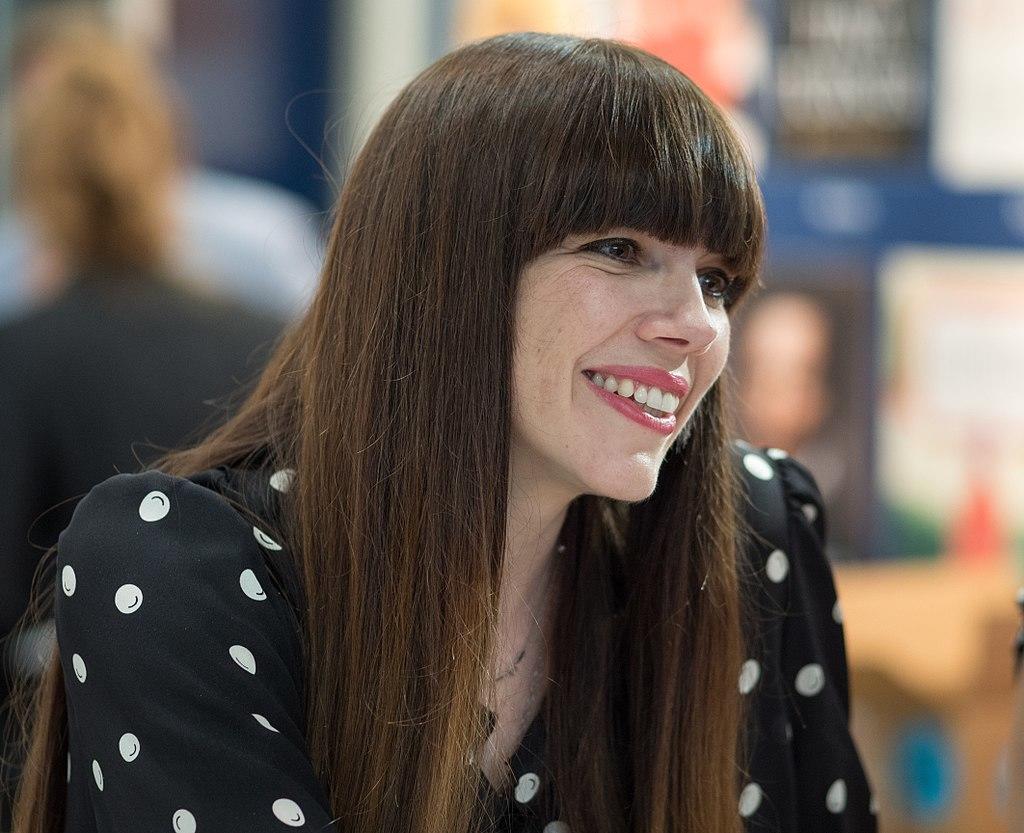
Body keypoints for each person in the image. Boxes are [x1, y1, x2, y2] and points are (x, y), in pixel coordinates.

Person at [10, 33, 875, 833]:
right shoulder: (176, 572)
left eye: (719, 279)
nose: (694, 324)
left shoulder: (751, 528)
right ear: (446, 272)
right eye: (617, 249)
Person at [0, 16, 282, 828]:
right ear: (171, 156)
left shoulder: (22, 355)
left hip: (61, 759)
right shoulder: (265, 340)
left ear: (34, 177)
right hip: (255, 734)